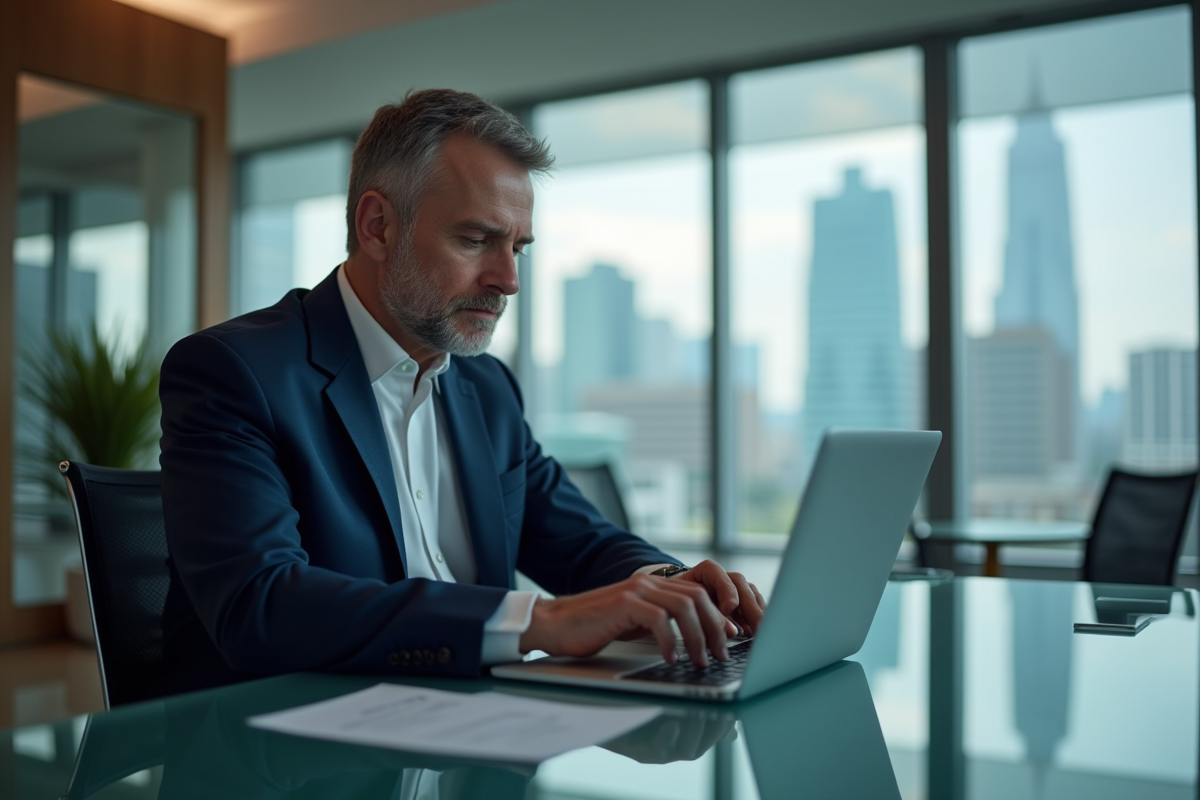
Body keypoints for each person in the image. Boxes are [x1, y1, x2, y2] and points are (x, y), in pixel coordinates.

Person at [158, 88, 765, 695]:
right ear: (378, 227)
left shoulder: (486, 386)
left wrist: (670, 584)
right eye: (476, 240)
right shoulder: (234, 371)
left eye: (518, 247)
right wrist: (540, 620)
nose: (508, 281)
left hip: (468, 731)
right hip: (289, 749)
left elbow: (578, 540)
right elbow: (259, 606)